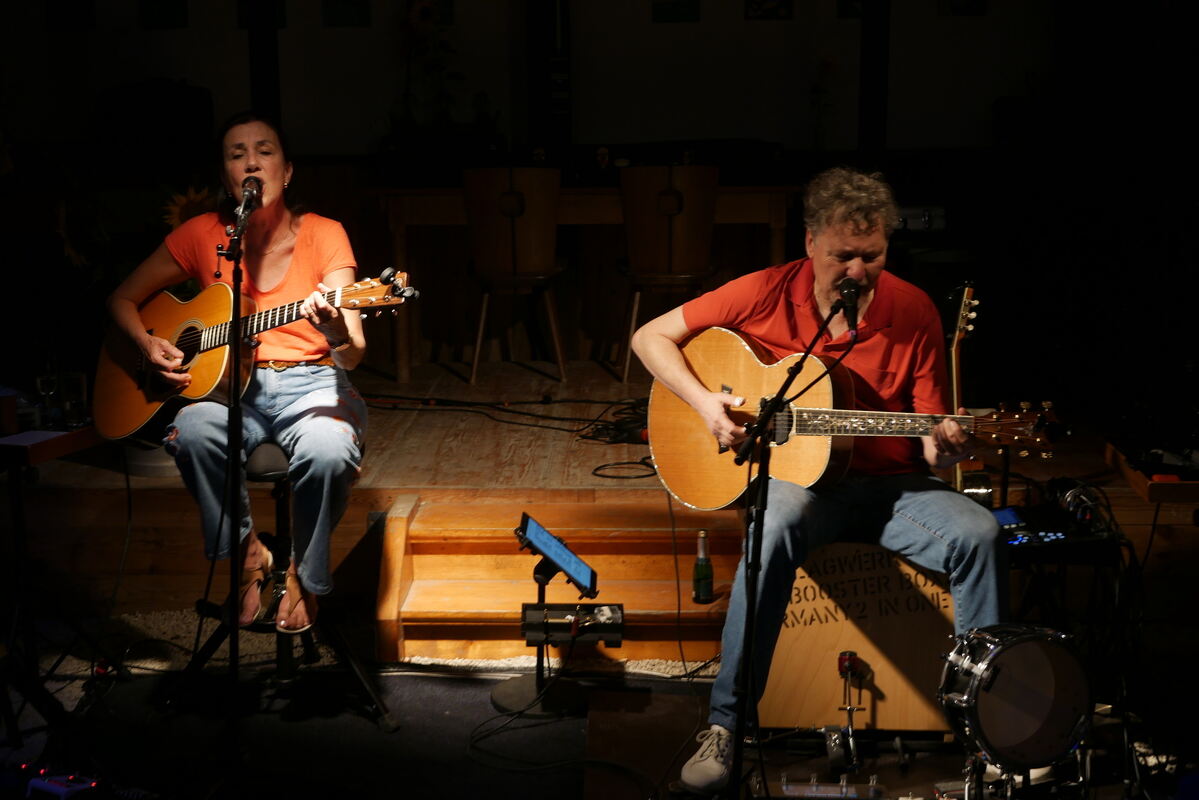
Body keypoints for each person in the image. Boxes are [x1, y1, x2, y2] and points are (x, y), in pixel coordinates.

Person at [631, 167, 1004, 794]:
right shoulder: (763, 291)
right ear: (810, 243)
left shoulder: (913, 310)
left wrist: (948, 444)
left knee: (981, 534)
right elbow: (650, 337)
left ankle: (987, 729)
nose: (857, 271)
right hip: (800, 487)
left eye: (872, 256)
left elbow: (930, 446)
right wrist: (705, 404)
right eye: (842, 256)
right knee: (772, 524)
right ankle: (727, 726)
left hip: (891, 490)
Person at [107, 111, 368, 634]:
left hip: (311, 383)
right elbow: (121, 299)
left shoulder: (325, 235)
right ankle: (250, 557)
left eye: (264, 151)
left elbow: (355, 351)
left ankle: (305, 577)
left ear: (286, 171)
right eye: (236, 154)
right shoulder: (201, 236)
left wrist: (335, 328)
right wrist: (147, 343)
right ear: (227, 178)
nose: (251, 162)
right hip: (228, 389)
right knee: (191, 432)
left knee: (329, 449)